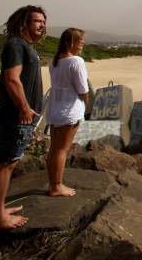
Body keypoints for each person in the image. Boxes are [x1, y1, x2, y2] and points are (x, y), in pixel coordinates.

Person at [0, 5, 46, 229]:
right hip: (16, 116)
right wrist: (25, 108)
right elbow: (12, 79)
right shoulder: (16, 45)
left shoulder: (26, 46)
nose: (42, 25)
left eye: (43, 21)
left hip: (21, 116)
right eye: (37, 21)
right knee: (6, 163)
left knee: (9, 161)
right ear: (23, 23)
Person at [45, 28, 89, 197]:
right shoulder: (76, 61)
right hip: (69, 110)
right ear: (71, 42)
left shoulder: (54, 61)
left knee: (54, 149)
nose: (83, 43)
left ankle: (53, 183)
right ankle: (56, 186)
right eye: (80, 40)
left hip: (55, 109)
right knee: (61, 150)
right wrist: (86, 104)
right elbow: (83, 89)